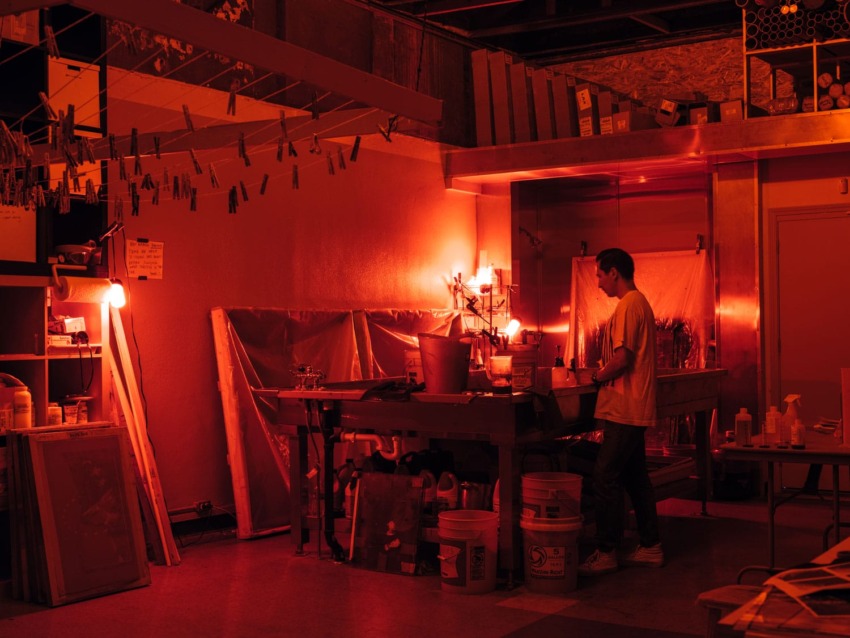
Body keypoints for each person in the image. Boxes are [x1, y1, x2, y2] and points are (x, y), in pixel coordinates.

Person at [578, 248, 664, 576]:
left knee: (605, 475)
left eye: (599, 274)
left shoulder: (628, 306)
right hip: (634, 407)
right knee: (635, 476)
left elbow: (622, 359)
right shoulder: (640, 303)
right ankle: (650, 545)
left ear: (614, 272)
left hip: (625, 409)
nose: (598, 283)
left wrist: (597, 375)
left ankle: (606, 550)